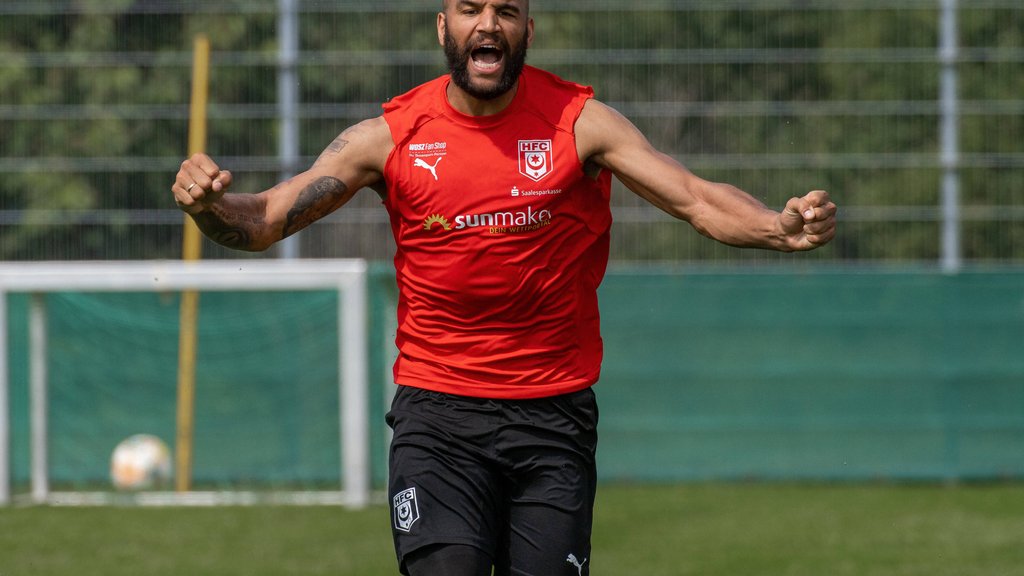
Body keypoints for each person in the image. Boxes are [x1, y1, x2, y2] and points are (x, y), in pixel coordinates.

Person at [172, 1, 837, 574]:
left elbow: (693, 197)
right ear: (444, 28)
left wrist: (777, 228)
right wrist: (208, 207)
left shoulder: (581, 124)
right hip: (438, 418)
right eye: (470, 9)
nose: (488, 23)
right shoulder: (390, 137)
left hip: (553, 418)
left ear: (527, 30)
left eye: (506, 11)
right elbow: (261, 222)